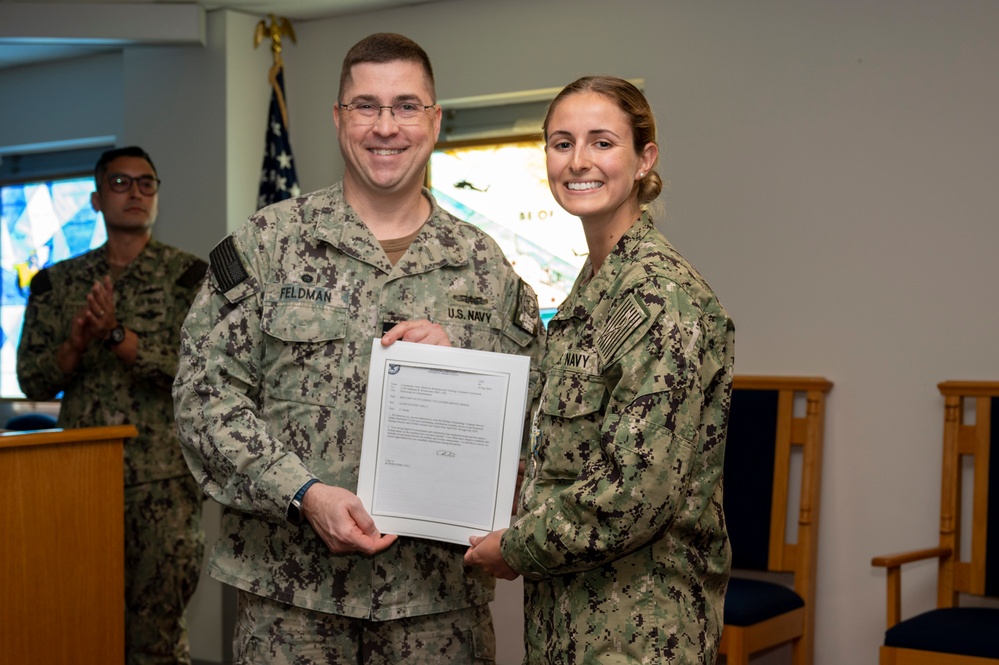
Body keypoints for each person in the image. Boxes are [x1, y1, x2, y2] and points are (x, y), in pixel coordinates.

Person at [171, 33, 543, 664]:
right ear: (339, 118)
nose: (386, 126)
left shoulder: (486, 266)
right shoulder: (268, 245)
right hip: (290, 602)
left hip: (437, 608)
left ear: (435, 120)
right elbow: (202, 400)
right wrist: (304, 493)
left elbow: (543, 408)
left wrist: (465, 354)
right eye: (366, 105)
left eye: (406, 106)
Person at [464, 76, 735, 664]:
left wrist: (513, 548)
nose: (579, 161)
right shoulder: (597, 286)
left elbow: (636, 490)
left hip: (640, 627)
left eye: (602, 142)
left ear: (644, 159)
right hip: (572, 616)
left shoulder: (660, 298)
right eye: (562, 143)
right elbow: (556, 425)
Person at [17, 145, 208, 664]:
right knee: (81, 627)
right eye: (121, 184)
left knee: (157, 641)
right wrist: (76, 345)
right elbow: (31, 380)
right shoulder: (56, 283)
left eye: (147, 183)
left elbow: (201, 377)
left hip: (163, 483)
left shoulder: (191, 278)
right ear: (97, 199)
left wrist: (118, 336)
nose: (136, 193)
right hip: (80, 482)